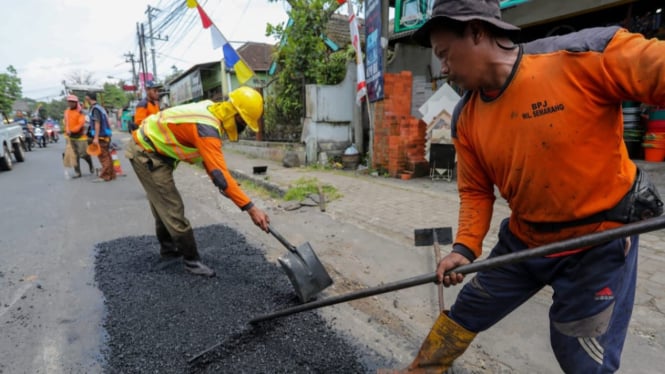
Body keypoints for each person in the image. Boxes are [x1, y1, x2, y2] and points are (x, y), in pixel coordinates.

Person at [383, 0, 665, 372]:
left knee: (578, 351)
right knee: (465, 313)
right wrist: (465, 248)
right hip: (526, 238)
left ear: (477, 32)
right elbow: (475, 191)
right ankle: (419, 370)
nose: (445, 69)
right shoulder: (465, 118)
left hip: (598, 242)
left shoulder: (584, 55)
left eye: (445, 54)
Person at [124, 86, 270, 277]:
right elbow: (220, 175)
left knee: (163, 206)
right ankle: (191, 261)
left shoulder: (211, 110)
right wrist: (251, 208)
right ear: (233, 113)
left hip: (155, 151)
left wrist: (230, 188)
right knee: (172, 208)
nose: (243, 128)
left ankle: (169, 252)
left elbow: (213, 169)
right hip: (146, 153)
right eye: (243, 122)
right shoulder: (206, 128)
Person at [85, 92, 116, 182]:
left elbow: (97, 123)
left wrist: (95, 137)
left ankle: (105, 176)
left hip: (101, 136)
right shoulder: (100, 108)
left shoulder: (95, 109)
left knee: (103, 156)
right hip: (105, 134)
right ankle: (111, 174)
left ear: (88, 98)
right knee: (107, 155)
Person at [63, 94, 94, 178]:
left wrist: (73, 130)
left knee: (84, 154)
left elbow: (81, 123)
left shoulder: (81, 112)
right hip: (70, 137)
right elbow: (66, 123)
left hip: (81, 136)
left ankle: (90, 164)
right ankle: (77, 172)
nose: (70, 103)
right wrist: (67, 130)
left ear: (76, 103)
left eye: (72, 102)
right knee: (74, 155)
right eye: (69, 102)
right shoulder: (66, 112)